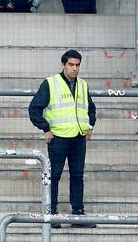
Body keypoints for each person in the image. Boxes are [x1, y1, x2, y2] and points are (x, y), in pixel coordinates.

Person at [29, 50, 96, 220]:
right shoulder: (51, 83)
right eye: (71, 65)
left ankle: (78, 213)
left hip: (78, 137)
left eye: (77, 65)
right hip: (58, 137)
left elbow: (91, 107)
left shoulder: (83, 84)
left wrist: (90, 126)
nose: (75, 68)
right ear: (63, 65)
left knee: (77, 176)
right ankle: (51, 212)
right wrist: (45, 128)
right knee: (55, 175)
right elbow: (34, 108)